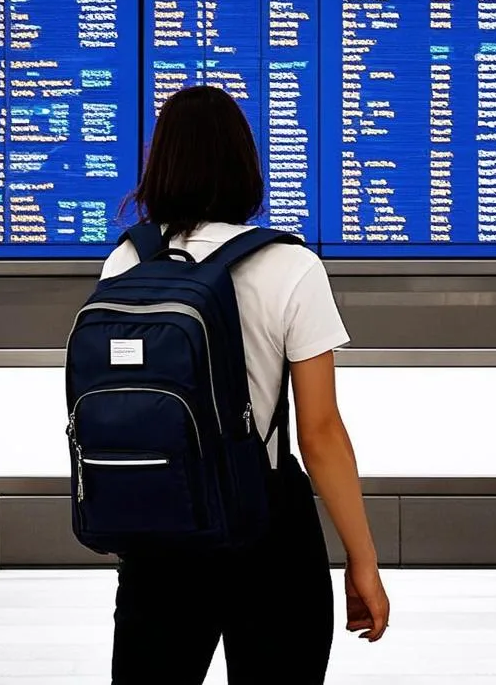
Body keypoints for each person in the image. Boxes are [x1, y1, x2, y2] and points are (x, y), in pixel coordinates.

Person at [101, 85, 390, 685]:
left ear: (161, 164)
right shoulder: (289, 266)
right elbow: (319, 431)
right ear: (245, 164)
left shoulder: (127, 262)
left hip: (159, 520)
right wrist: (362, 559)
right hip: (266, 526)